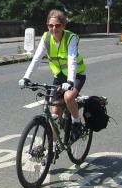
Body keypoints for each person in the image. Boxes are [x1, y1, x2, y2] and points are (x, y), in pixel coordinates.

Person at [18, 9, 87, 141]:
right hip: (59, 76)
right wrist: (26, 77)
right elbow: (36, 58)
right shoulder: (46, 38)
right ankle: (53, 147)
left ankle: (76, 122)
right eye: (51, 25)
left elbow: (72, 59)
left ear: (63, 25)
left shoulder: (70, 38)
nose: (54, 28)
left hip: (76, 75)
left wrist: (70, 82)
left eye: (57, 25)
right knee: (54, 113)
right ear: (47, 25)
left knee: (68, 96)